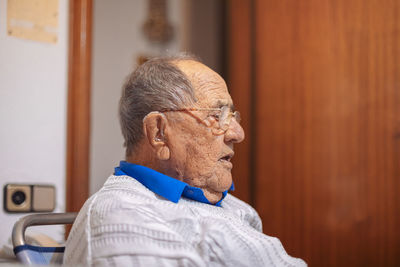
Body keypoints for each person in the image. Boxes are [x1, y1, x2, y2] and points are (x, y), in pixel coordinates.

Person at [64, 55, 306, 266]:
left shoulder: (226, 202)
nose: (238, 133)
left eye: (232, 115)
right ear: (159, 132)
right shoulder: (123, 219)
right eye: (217, 115)